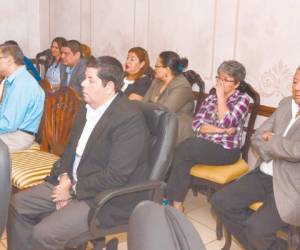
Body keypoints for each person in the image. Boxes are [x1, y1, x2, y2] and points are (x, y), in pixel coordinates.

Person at [7, 56, 150, 250]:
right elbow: (70, 151)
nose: (82, 83)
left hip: (102, 196)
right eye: (84, 78)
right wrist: (65, 177)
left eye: (90, 80)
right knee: (16, 205)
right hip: (73, 181)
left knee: (44, 234)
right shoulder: (87, 108)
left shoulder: (128, 120)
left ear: (109, 87)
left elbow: (116, 175)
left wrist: (72, 189)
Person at [210, 66, 300, 250]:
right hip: (265, 172)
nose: (297, 88)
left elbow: (297, 150)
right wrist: (276, 148)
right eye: (295, 81)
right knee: (220, 201)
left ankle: (259, 241)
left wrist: (273, 139)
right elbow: (258, 136)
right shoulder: (285, 104)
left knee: (256, 229)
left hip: (292, 185)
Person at [167, 60, 250, 212]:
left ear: (237, 84)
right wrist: (222, 131)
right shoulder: (210, 98)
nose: (220, 83)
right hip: (203, 146)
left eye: (226, 80)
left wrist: (220, 97)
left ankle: (167, 198)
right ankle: (177, 206)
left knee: (186, 147)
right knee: (184, 156)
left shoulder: (242, 99)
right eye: (219, 78)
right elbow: (197, 125)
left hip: (226, 150)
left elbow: (226, 121)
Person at [0, 43, 45, 152]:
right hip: (11, 133)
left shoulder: (22, 83)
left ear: (10, 60)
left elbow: (10, 124)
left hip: (19, 136)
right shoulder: (13, 80)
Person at [144, 51, 194, 144]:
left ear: (167, 69)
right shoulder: (156, 81)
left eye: (157, 66)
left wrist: (148, 108)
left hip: (176, 129)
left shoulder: (182, 86)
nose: (154, 69)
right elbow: (144, 103)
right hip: (158, 123)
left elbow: (165, 110)